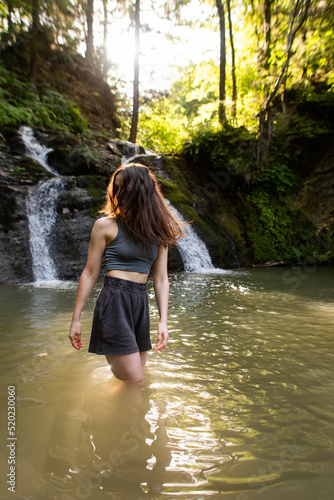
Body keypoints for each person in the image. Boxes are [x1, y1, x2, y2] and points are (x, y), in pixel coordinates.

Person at [69, 163, 184, 383]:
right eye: (117, 188)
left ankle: (116, 414)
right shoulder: (105, 226)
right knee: (136, 381)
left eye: (125, 189)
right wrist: (76, 319)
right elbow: (90, 273)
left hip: (140, 302)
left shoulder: (159, 231)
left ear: (140, 191)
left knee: (135, 378)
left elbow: (160, 278)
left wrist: (163, 321)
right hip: (114, 300)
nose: (119, 195)